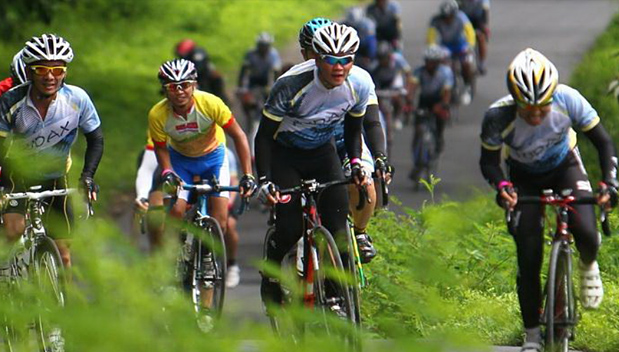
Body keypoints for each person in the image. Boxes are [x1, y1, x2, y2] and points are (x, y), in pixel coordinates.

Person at [479, 48, 617, 352]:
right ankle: (531, 335)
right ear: (515, 101)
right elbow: (489, 163)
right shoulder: (497, 116)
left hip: (565, 166)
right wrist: (502, 185)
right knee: (528, 255)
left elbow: (603, 143)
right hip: (523, 176)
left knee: (587, 232)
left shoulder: (568, 99)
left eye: (543, 107)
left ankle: (587, 263)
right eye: (528, 110)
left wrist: (609, 183)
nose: (537, 115)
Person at [255, 23, 373, 310]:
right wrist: (265, 180)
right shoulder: (291, 85)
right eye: (331, 60)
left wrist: (356, 163)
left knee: (338, 229)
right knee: (291, 227)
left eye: (346, 60)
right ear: (316, 59)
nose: (339, 67)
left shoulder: (358, 83)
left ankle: (338, 297)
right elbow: (263, 138)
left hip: (323, 153)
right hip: (286, 155)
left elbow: (354, 130)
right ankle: (271, 275)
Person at [0, 34, 104, 268]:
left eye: (57, 70)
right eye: (41, 69)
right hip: (16, 177)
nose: (50, 76)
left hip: (56, 177)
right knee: (13, 233)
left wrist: (87, 177)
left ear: (65, 72)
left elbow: (95, 139)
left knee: (63, 254)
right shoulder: (10, 101)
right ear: (29, 72)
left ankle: (63, 303)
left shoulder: (77, 99)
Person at [298, 18, 392, 264]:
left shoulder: (358, 79)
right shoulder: (295, 81)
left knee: (364, 184)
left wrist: (380, 158)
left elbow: (370, 123)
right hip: (310, 146)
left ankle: (360, 234)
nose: (331, 61)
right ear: (306, 53)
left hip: (344, 142)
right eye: (319, 54)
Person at [148, 58, 255, 240]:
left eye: (185, 85)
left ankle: (208, 258)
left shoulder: (211, 103)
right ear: (165, 89)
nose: (180, 91)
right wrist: (167, 171)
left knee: (221, 223)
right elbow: (160, 148)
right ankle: (177, 261)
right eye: (173, 87)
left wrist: (248, 175)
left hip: (214, 159)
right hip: (181, 161)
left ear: (194, 85)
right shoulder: (157, 114)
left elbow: (239, 135)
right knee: (175, 213)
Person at [409, 44, 454, 159]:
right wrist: (409, 102)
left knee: (440, 118)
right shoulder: (419, 71)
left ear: (438, 62)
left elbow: (447, 92)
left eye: (433, 62)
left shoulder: (446, 72)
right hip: (424, 100)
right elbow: (412, 86)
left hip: (439, 99)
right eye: (428, 61)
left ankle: (439, 137)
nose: (429, 64)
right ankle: (416, 150)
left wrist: (443, 105)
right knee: (418, 127)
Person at [427, 0, 476, 104]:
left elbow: (470, 31)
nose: (447, 19)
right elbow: (431, 35)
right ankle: (445, 87)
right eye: (445, 17)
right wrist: (432, 46)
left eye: (450, 16)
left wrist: (470, 46)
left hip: (460, 45)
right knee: (443, 65)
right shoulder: (436, 20)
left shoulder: (461, 17)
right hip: (446, 46)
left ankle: (467, 86)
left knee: (466, 63)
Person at [237, 32, 282, 145]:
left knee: (271, 102)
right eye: (262, 46)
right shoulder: (251, 54)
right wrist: (241, 87)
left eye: (266, 46)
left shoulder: (273, 55)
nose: (263, 49)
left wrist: (276, 88)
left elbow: (276, 72)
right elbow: (244, 72)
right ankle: (249, 118)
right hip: (253, 82)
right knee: (247, 101)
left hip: (266, 81)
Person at [370, 41, 413, 133]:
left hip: (394, 80)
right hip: (380, 81)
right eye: (380, 59)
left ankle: (397, 116)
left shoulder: (398, 59)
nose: (382, 61)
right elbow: (371, 80)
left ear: (389, 56)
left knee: (398, 98)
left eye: (384, 58)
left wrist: (407, 89)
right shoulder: (374, 64)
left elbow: (408, 73)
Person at [174, 39, 229, 104]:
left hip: (205, 74)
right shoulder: (181, 60)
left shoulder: (199, 53)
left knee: (216, 81)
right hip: (193, 76)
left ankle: (223, 102)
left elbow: (200, 67)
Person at [457, 0, 490, 74]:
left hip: (477, 19)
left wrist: (484, 27)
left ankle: (482, 63)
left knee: (481, 37)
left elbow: (485, 12)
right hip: (462, 18)